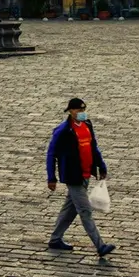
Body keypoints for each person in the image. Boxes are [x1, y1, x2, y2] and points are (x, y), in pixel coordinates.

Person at [43, 97, 114, 256]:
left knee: (70, 209)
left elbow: (93, 147)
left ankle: (55, 239)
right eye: (78, 110)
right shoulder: (63, 131)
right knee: (85, 210)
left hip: (86, 174)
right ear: (70, 111)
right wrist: (51, 177)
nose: (81, 113)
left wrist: (101, 166)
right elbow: (51, 154)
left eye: (83, 110)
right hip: (73, 176)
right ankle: (100, 245)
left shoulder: (87, 125)